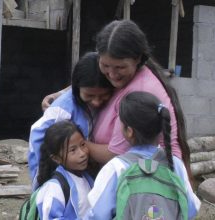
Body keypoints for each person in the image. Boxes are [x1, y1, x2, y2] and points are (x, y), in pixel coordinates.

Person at [41, 20, 191, 174]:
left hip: (151, 176)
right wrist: (61, 95)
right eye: (105, 66)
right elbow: (89, 76)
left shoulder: (139, 93)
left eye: (120, 67)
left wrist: (74, 145)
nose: (111, 74)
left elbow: (115, 154)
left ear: (138, 59)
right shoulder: (124, 74)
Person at [85, 91, 200, 219]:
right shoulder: (175, 164)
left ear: (129, 131)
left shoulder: (116, 167)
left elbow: (97, 215)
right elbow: (191, 210)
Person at [28, 52, 114, 186]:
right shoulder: (63, 108)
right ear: (77, 87)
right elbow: (37, 133)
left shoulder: (96, 103)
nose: (96, 102)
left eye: (103, 96)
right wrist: (40, 179)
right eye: (89, 95)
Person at [35, 120, 94, 219]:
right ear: (56, 158)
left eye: (83, 144)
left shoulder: (87, 179)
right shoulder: (54, 188)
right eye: (73, 150)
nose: (82, 153)